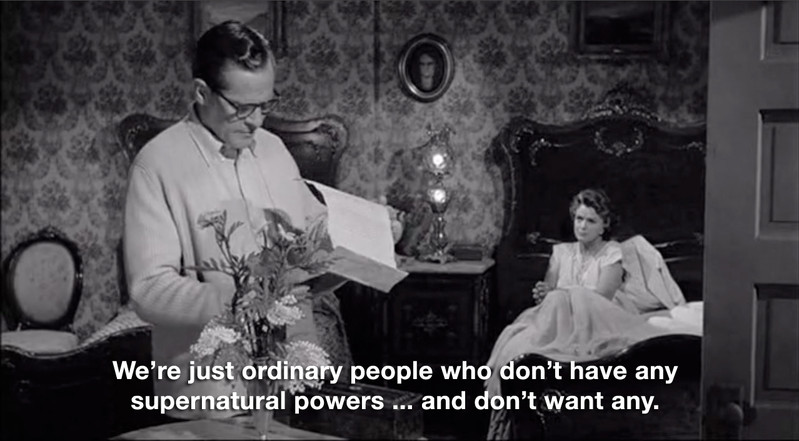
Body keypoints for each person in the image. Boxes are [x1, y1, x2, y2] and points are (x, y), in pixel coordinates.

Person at [123, 21, 392, 421]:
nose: (256, 121)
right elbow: (148, 290)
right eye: (242, 108)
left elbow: (315, 233)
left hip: (294, 377)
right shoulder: (157, 164)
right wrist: (238, 300)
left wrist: (371, 233)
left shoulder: (274, 150)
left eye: (265, 105)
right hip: (210, 389)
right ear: (201, 92)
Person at [483, 189, 681, 439]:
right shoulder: (561, 252)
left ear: (604, 225)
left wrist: (559, 293)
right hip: (558, 318)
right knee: (523, 338)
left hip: (597, 316)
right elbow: (549, 293)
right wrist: (544, 292)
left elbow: (602, 297)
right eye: (579, 219)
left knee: (568, 298)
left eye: (591, 221)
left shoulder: (612, 252)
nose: (583, 226)